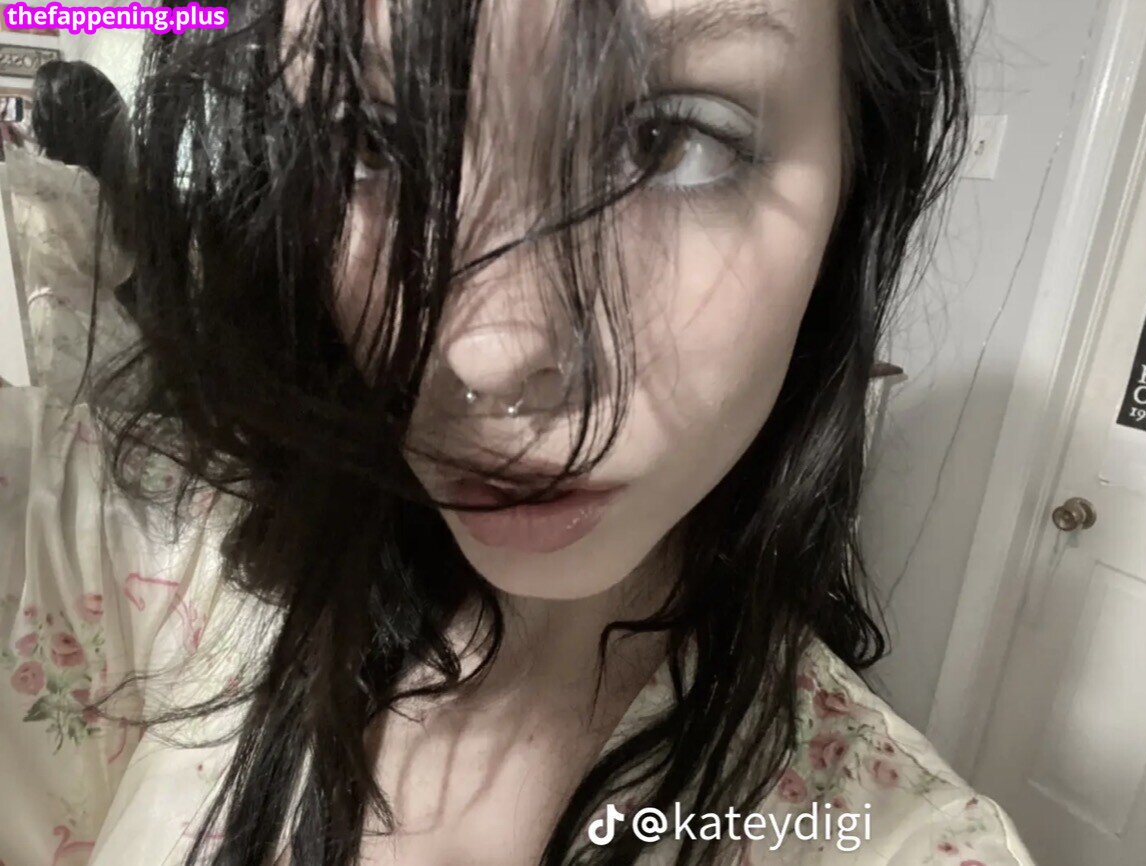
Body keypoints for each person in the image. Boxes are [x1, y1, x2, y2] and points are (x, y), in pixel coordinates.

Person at [0, 1, 1036, 865]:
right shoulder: (140, 552)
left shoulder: (891, 838)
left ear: (858, 180)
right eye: (369, 144)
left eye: (669, 140)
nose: (487, 355)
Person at [3, 60, 139, 405]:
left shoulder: (68, 183)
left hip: (67, 343)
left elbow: (16, 171)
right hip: (113, 336)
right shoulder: (103, 187)